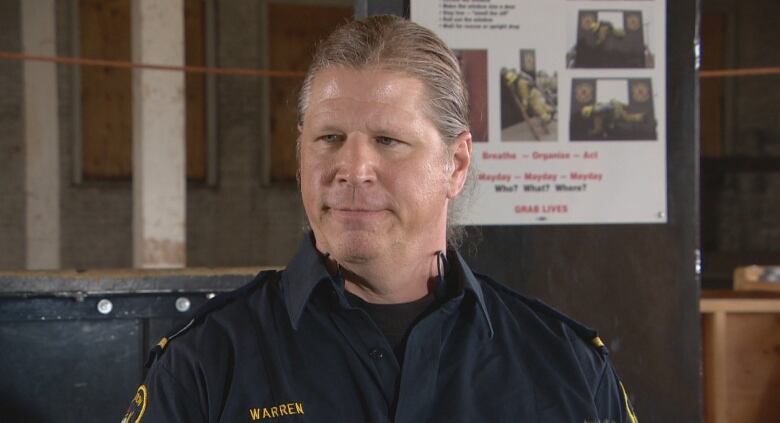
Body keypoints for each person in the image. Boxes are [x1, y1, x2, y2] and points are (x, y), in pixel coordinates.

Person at [121, 15, 639, 423]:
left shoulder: (567, 368)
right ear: (302, 156)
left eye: (388, 141)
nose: (353, 169)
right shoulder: (206, 364)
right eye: (330, 139)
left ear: (454, 165)